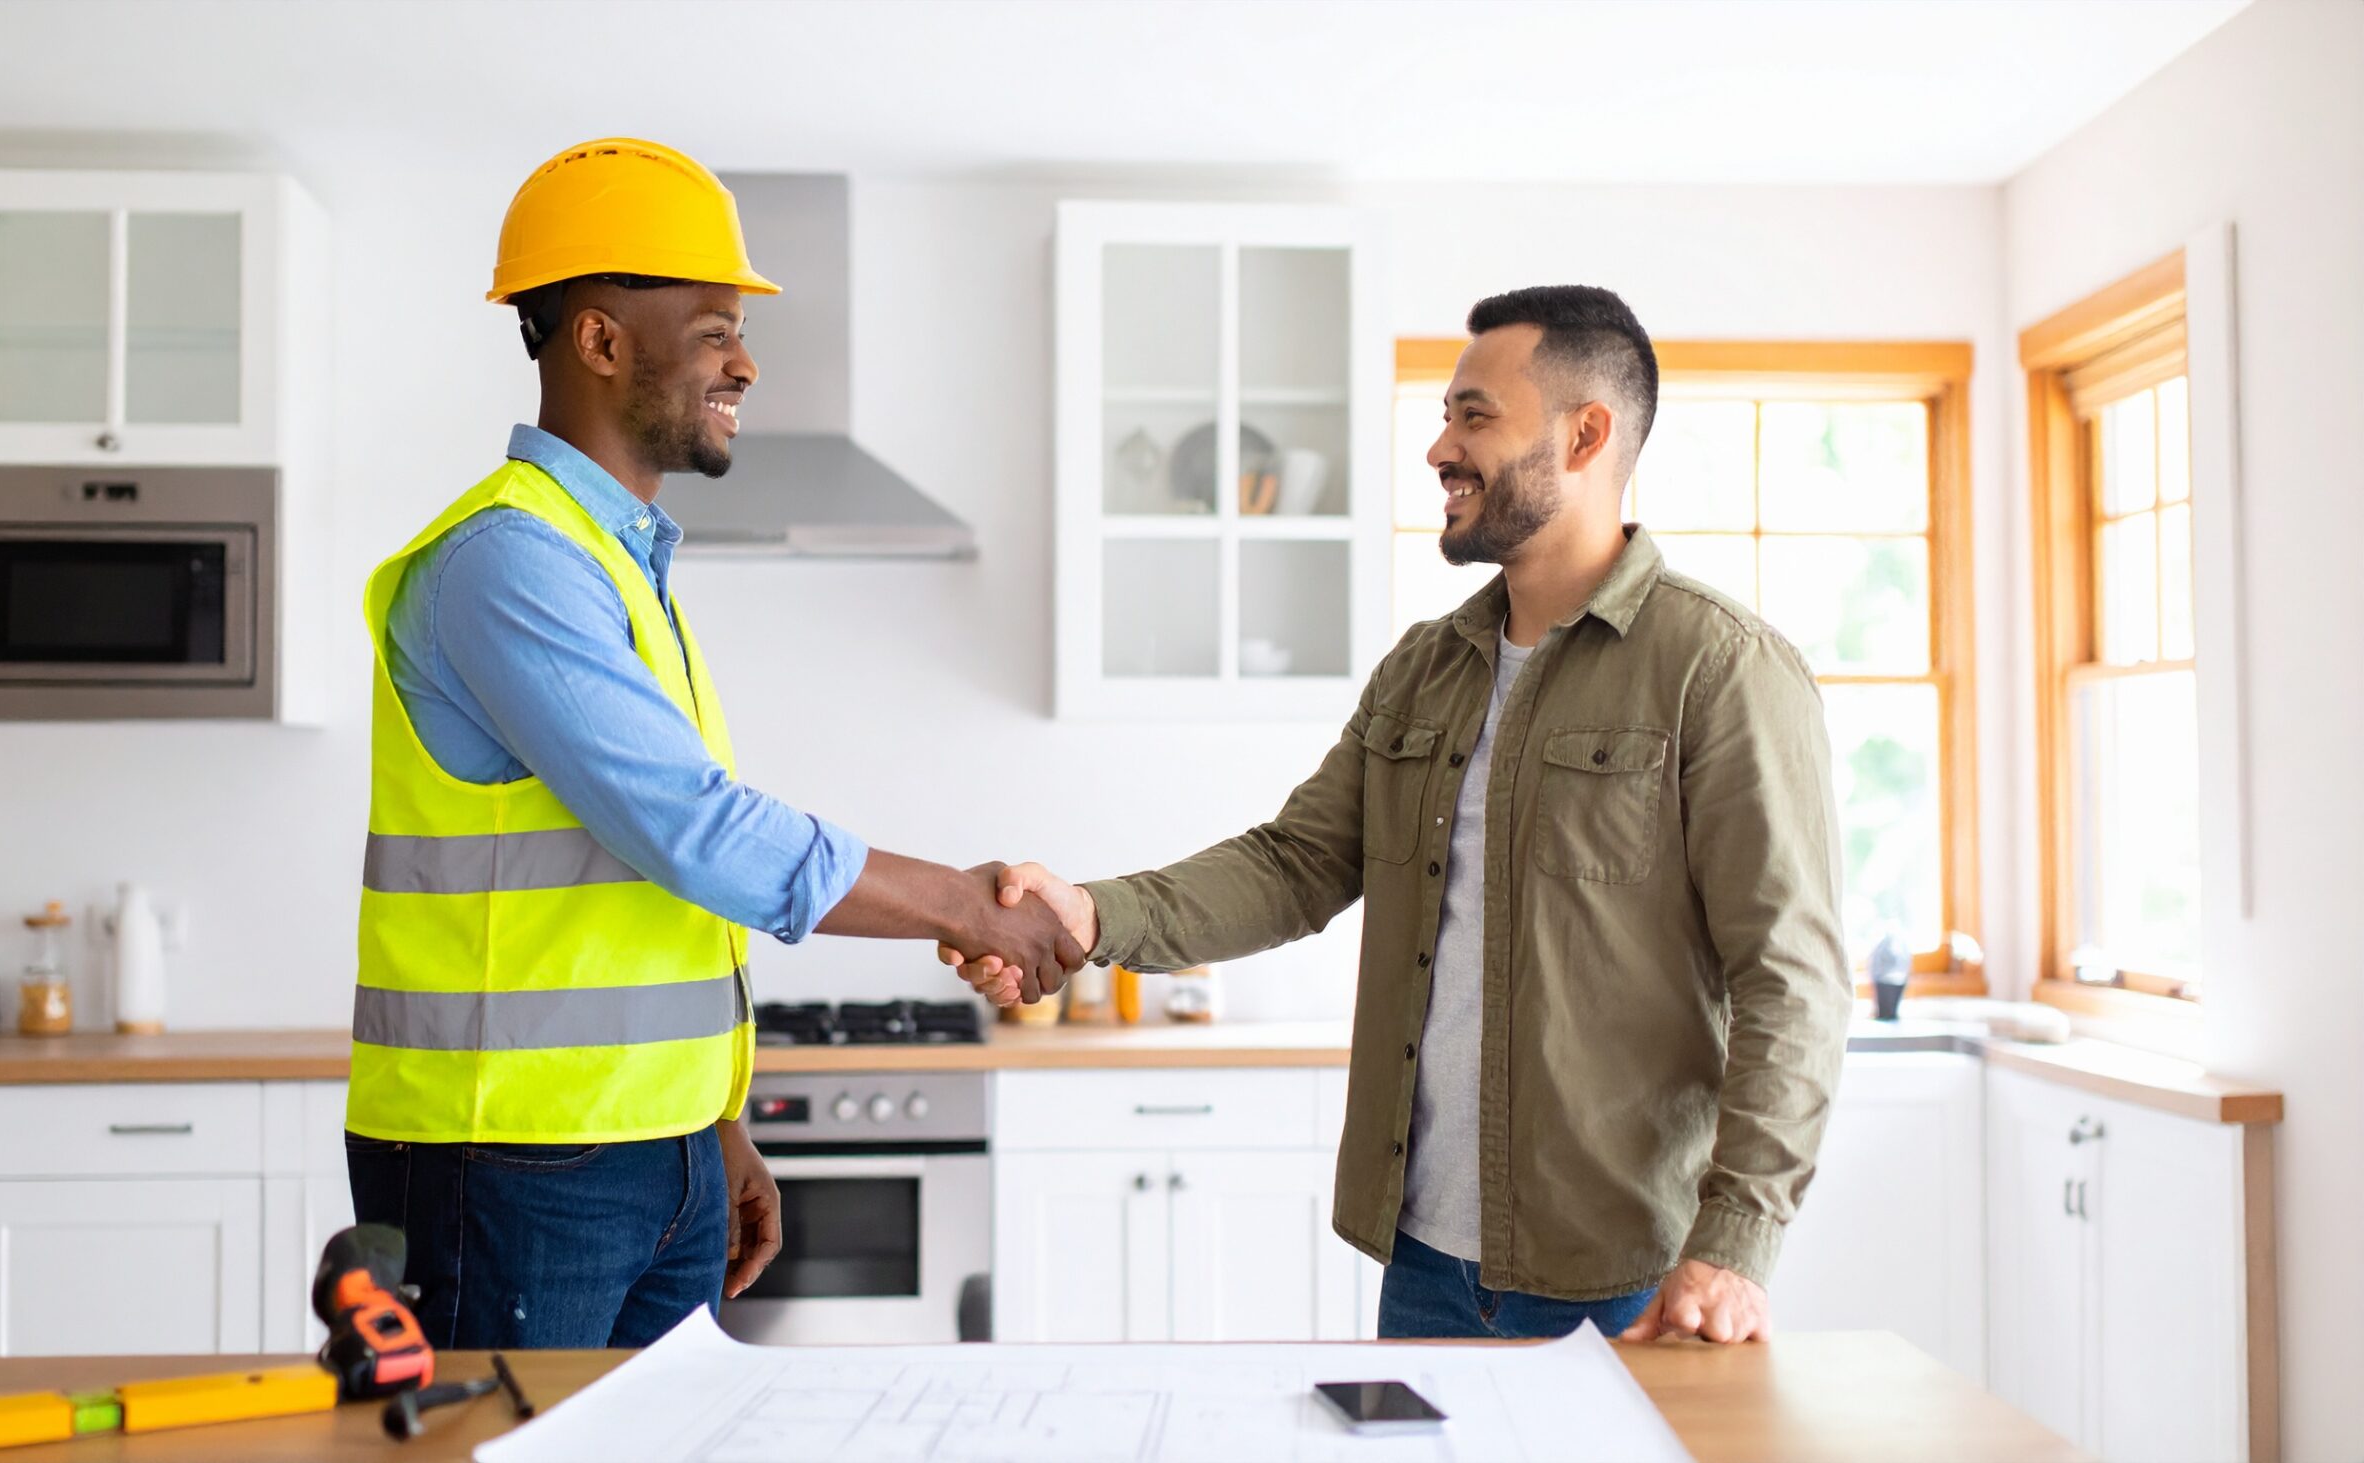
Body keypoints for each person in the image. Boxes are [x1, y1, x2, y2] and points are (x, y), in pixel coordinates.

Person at [955, 286, 1850, 1344]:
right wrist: (1088, 914)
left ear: (1585, 433)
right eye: (1444, 415)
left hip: (1628, 1280)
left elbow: (1790, 980)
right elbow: (1294, 864)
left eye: (1474, 415)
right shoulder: (1424, 669)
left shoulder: (1721, 670)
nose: (1438, 447)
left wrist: (1732, 1246)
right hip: (1424, 1263)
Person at [344, 138, 1081, 1351]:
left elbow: (643, 889)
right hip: (511, 1163)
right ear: (598, 339)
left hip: (647, 1153)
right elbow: (700, 833)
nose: (745, 362)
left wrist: (712, 1127)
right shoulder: (507, 561)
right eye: (712, 330)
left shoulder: (617, 562)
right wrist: (968, 902)